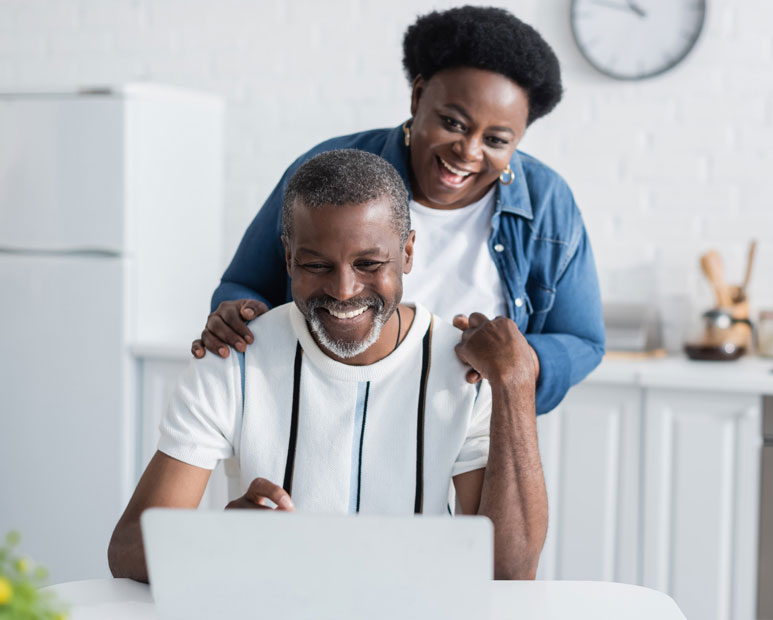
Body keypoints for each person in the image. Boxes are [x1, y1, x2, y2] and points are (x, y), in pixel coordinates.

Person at [108, 150, 547, 582]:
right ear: (287, 257)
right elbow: (127, 548)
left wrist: (515, 383)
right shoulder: (233, 359)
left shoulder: (463, 370)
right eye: (316, 265)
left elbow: (508, 571)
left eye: (369, 264)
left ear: (408, 252)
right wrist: (223, 539)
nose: (342, 290)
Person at [192, 6, 605, 415]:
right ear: (418, 94)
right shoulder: (330, 170)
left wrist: (517, 358)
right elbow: (244, 286)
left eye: (496, 140)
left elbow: (583, 340)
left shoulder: (549, 202)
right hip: (318, 415)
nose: (468, 151)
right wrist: (239, 316)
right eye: (453, 123)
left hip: (473, 436)